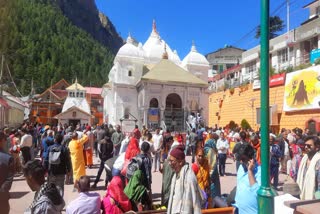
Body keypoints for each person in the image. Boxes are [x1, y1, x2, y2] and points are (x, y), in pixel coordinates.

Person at [167, 145, 202, 213]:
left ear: (180, 162)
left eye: (172, 161)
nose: (169, 163)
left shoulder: (189, 178)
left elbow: (195, 202)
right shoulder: (175, 175)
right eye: (169, 161)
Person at [235, 144, 261, 214]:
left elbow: (257, 194)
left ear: (251, 158)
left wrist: (250, 171)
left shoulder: (260, 172)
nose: (240, 162)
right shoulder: (241, 168)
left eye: (243, 159)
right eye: (239, 159)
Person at [297, 136, 320, 200]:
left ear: (317, 147)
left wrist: (317, 200)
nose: (306, 147)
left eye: (309, 146)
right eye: (305, 145)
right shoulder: (304, 159)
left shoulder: (318, 161)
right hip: (302, 196)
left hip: (314, 199)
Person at [203, 132, 221, 207]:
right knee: (213, 195)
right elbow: (212, 167)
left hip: (205, 174)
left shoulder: (205, 148)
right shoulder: (211, 151)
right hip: (212, 179)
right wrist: (211, 178)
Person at [0, 131, 14, 214]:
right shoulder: (8, 158)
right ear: (2, 140)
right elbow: (9, 179)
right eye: (5, 139)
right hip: (2, 197)